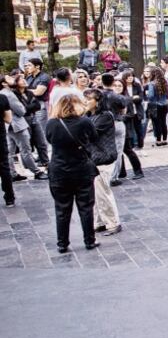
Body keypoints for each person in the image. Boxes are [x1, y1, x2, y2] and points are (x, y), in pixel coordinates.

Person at [45, 94, 99, 251]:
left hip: (59, 169)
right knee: (86, 207)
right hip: (81, 168)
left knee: (62, 208)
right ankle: (89, 240)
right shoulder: (84, 121)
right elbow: (94, 137)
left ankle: (62, 244)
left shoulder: (52, 123)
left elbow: (49, 140)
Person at [83, 88, 122, 236]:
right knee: (94, 193)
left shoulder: (105, 116)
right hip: (93, 158)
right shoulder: (88, 115)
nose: (86, 102)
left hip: (103, 158)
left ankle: (113, 222)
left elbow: (90, 133)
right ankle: (99, 222)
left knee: (103, 192)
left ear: (98, 101)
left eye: (89, 99)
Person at [145, 67, 168, 146]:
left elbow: (151, 96)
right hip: (165, 105)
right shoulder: (165, 83)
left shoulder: (152, 84)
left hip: (156, 105)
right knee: (163, 122)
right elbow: (167, 96)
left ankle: (158, 140)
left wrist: (147, 94)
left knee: (157, 123)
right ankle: (165, 140)